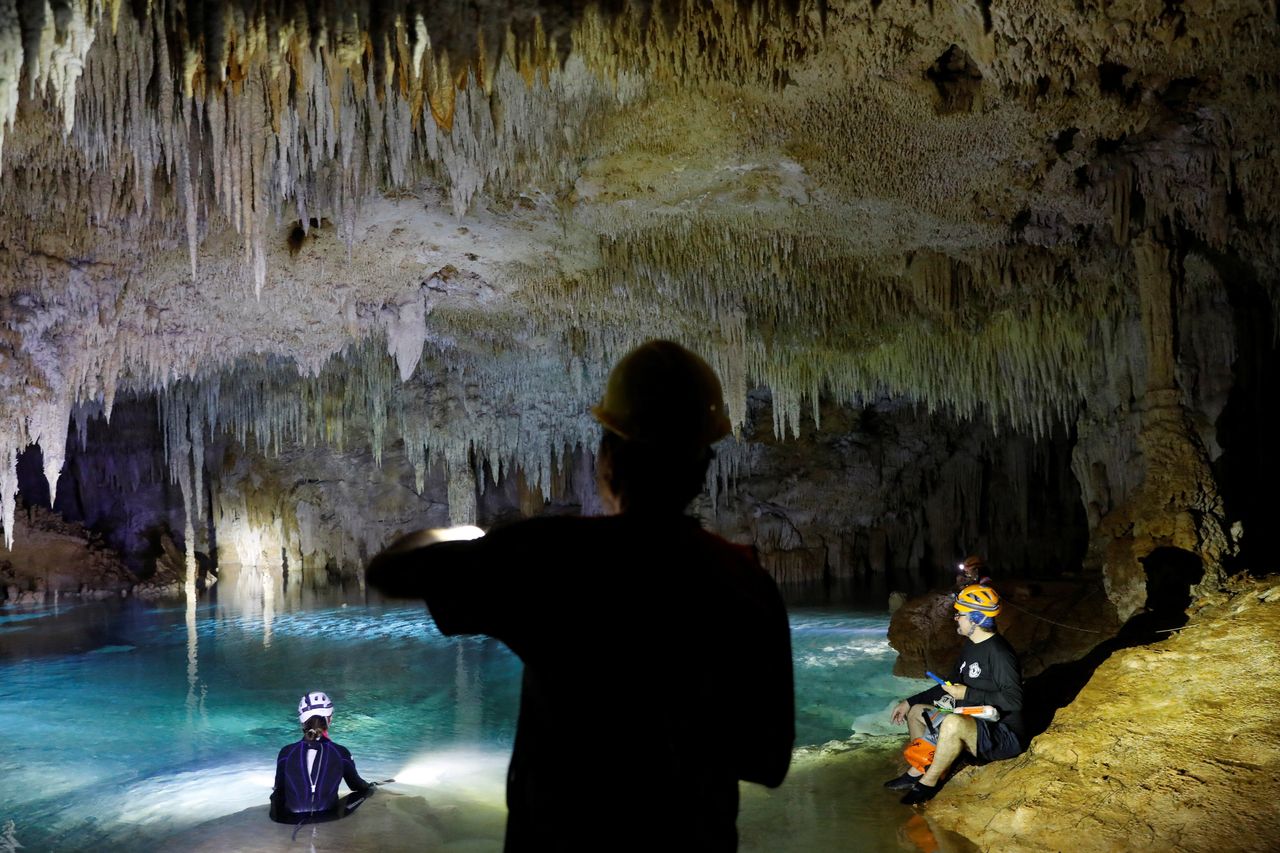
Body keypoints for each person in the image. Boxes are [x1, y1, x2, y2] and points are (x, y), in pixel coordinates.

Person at [367, 340, 795, 851]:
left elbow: (390, 572)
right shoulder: (744, 581)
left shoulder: (553, 558)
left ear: (608, 459)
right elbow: (768, 761)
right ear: (703, 467)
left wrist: (465, 536)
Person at [885, 584, 1025, 806]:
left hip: (1002, 734)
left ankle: (930, 782)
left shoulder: (999, 653)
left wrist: (966, 692)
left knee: (952, 722)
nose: (956, 618)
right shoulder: (971, 646)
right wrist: (909, 702)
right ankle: (920, 768)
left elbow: (1014, 700)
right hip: (973, 719)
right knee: (917, 712)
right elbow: (949, 685)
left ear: (976, 619)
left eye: (960, 614)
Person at [270, 691, 376, 824]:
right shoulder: (340, 752)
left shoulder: (286, 752)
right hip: (328, 815)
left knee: (277, 793)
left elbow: (279, 789)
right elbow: (356, 786)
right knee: (366, 791)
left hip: (288, 819)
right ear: (329, 720)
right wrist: (370, 787)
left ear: (302, 722)